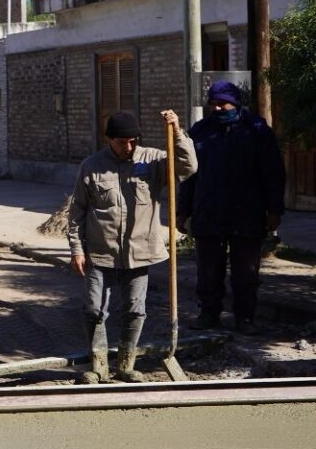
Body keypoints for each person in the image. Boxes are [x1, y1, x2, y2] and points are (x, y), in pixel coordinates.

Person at [68, 110, 197, 383]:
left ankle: (126, 365)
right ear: (109, 140)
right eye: (121, 142)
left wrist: (177, 132)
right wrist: (77, 249)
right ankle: (99, 366)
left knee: (135, 309)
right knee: (93, 309)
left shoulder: (152, 160)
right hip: (100, 251)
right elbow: (77, 211)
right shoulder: (92, 166)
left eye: (132, 141)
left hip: (140, 252)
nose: (128, 147)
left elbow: (188, 168)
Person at [177, 80, 286, 335]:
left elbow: (273, 173)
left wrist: (274, 210)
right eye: (213, 104)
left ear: (235, 104)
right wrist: (184, 210)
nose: (217, 108)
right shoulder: (201, 131)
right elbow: (188, 174)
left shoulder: (257, 130)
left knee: (245, 273)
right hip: (209, 212)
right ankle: (209, 314)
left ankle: (245, 317)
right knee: (208, 271)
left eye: (222, 104)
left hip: (247, 214)